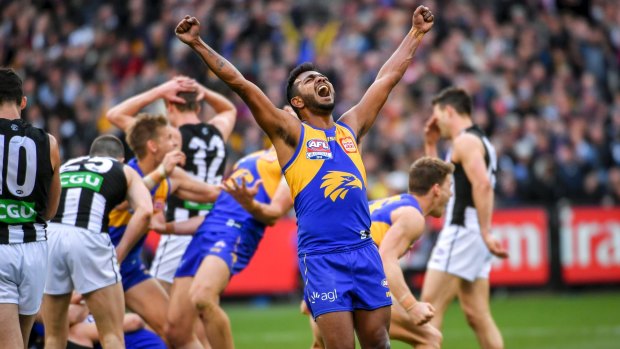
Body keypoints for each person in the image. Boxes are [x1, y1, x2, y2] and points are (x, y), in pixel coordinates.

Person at [175, 6, 434, 348]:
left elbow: (386, 78)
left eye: (322, 77)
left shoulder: (350, 128)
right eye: (311, 80)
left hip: (364, 250)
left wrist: (415, 33)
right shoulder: (289, 134)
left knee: (379, 343)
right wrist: (198, 44)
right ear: (297, 101)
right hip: (322, 257)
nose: (321, 80)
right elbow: (242, 85)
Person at [303, 157, 453, 349]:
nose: (450, 194)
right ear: (436, 189)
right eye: (449, 186)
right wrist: (411, 305)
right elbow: (385, 258)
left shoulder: (392, 204)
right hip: (356, 280)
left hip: (325, 282)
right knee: (429, 338)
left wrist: (309, 295)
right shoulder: (412, 216)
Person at [106, 76, 236, 292]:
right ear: (198, 104)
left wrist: (160, 90)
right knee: (200, 303)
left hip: (179, 228)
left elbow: (114, 115)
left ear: (169, 105)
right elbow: (229, 109)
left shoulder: (170, 139)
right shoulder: (216, 133)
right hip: (212, 227)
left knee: (164, 306)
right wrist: (199, 87)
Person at [160, 146, 293, 349]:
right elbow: (220, 201)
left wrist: (251, 205)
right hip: (207, 228)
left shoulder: (294, 162)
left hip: (236, 229)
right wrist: (168, 227)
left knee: (203, 296)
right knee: (176, 330)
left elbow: (274, 213)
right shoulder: (251, 156)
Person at [106, 113, 221, 339]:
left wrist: (241, 191)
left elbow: (212, 193)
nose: (177, 144)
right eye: (169, 138)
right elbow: (119, 202)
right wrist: (160, 174)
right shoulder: (124, 173)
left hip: (128, 267)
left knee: (177, 332)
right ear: (153, 146)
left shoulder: (171, 177)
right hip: (99, 264)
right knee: (96, 332)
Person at [42, 135, 153, 349]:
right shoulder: (124, 170)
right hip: (89, 234)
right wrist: (120, 251)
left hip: (51, 236)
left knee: (54, 337)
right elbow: (146, 212)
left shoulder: (68, 165)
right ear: (120, 159)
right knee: (112, 335)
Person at [421, 87, 508, 349]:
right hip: (472, 231)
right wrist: (431, 145)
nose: (436, 123)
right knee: (477, 315)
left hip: (463, 229)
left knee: (427, 309)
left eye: (437, 116)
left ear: (449, 111)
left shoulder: (464, 142)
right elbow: (436, 186)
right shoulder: (478, 140)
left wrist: (484, 231)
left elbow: (482, 185)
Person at [0, 67, 61, 349]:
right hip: (35, 250)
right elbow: (50, 210)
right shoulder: (49, 142)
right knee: (20, 342)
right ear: (23, 101)